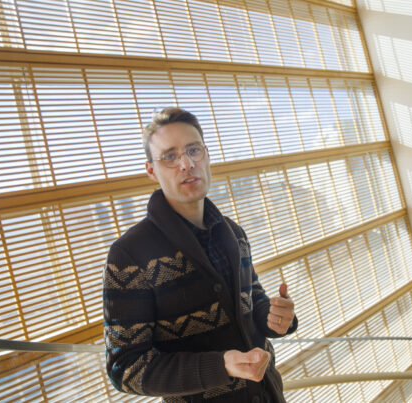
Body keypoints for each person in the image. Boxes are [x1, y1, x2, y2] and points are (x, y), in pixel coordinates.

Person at [103, 107, 298, 402]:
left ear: (206, 155)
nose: (187, 164)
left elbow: (250, 301)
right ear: (151, 170)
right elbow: (126, 368)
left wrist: (274, 317)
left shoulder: (234, 232)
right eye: (170, 156)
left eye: (194, 150)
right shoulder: (129, 254)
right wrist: (220, 366)